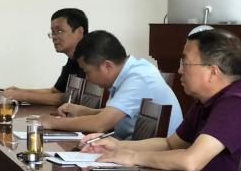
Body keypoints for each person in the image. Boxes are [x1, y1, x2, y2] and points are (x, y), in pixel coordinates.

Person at [85, 28, 241, 171]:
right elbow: (171, 144)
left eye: (186, 63)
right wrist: (117, 146)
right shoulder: (206, 101)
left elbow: (191, 160)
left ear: (213, 72)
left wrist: (134, 157)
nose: (180, 70)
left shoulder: (237, 103)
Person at [43, 30, 181, 139]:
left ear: (107, 66)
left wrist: (51, 122)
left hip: (152, 158)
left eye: (87, 72)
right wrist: (81, 111)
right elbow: (115, 113)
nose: (87, 79)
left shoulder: (138, 78)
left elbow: (101, 124)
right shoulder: (128, 72)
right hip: (132, 149)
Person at [3, 8, 87, 106]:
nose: (54, 37)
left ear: (79, 32)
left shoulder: (91, 59)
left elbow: (71, 98)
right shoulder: (72, 60)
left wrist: (22, 96)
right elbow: (55, 92)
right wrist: (19, 91)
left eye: (59, 31)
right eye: (53, 32)